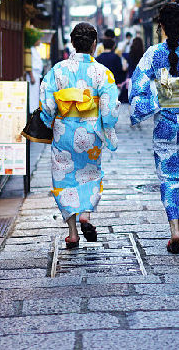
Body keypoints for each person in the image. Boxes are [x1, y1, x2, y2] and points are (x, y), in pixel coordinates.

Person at [128, 2, 179, 254]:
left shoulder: (152, 55)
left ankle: (174, 227)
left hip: (165, 124)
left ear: (161, 27)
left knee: (168, 177)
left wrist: (159, 99)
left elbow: (137, 88)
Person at [39, 23, 120, 248]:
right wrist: (106, 127)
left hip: (64, 131)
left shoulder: (58, 70)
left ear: (73, 43)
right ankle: (86, 213)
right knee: (90, 174)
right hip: (91, 133)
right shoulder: (103, 73)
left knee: (64, 178)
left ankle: (73, 233)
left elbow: (46, 104)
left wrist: (48, 121)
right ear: (94, 44)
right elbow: (110, 108)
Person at [120, 37, 144, 103]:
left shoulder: (128, 56)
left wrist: (125, 44)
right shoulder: (144, 56)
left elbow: (124, 68)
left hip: (130, 80)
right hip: (141, 80)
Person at [25, 38, 43, 110]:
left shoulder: (34, 49)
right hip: (33, 75)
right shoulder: (30, 49)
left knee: (35, 95)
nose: (39, 41)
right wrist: (31, 76)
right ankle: (32, 111)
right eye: (38, 39)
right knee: (32, 94)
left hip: (37, 75)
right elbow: (29, 64)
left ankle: (35, 110)